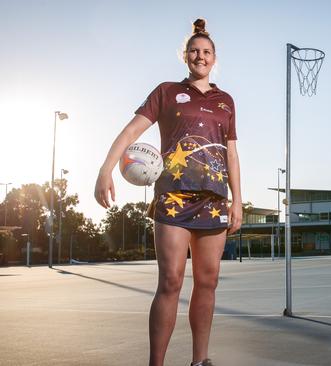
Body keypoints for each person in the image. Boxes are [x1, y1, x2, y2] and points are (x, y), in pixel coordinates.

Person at [94, 19, 242, 366]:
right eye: (194, 51)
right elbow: (131, 131)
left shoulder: (226, 101)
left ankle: (199, 361)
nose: (200, 56)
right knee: (171, 281)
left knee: (208, 283)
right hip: (173, 198)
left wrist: (237, 200)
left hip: (214, 200)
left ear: (214, 58)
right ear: (185, 55)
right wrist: (105, 169)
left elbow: (231, 153)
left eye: (206, 52)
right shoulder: (165, 91)